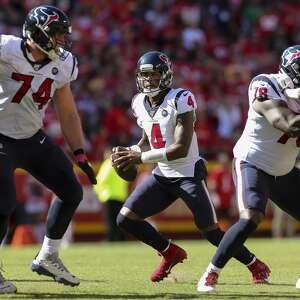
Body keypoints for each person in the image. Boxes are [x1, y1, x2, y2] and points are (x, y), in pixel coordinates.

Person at [111, 51, 269, 283]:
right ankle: (169, 252)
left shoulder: (180, 98)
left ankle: (255, 264)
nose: (148, 81)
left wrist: (139, 159)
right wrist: (132, 150)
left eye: (154, 76)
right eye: (144, 76)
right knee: (125, 219)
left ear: (165, 76)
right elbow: (148, 138)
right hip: (162, 176)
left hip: (188, 175)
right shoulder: (139, 102)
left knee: (211, 232)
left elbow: (180, 149)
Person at [0, 5, 97, 293]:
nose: (61, 41)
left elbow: (67, 111)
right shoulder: (6, 49)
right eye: (55, 35)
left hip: (31, 137)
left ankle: (48, 256)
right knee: (3, 203)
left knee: (71, 190)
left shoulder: (64, 63)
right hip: (1, 137)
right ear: (37, 33)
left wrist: (79, 152)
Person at [197, 45, 300, 293]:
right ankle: (211, 272)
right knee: (251, 217)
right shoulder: (264, 83)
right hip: (253, 162)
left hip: (284, 168)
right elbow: (285, 122)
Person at [94, 148, 128, 241]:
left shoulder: (107, 164)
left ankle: (111, 239)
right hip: (121, 196)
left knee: (110, 221)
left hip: (108, 196)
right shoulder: (121, 164)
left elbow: (101, 180)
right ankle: (122, 239)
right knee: (120, 221)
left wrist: (97, 190)